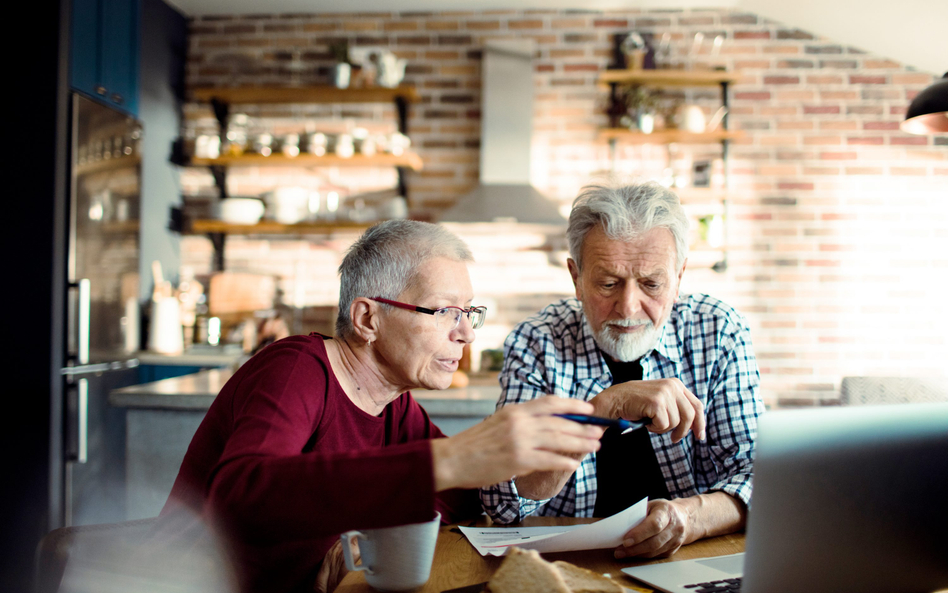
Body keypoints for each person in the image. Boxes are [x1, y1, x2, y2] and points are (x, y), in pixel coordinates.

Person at [158, 220, 605, 593]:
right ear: (368, 318)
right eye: (447, 311)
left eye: (470, 312)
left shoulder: (394, 405)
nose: (467, 334)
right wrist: (448, 459)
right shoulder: (296, 367)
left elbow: (459, 498)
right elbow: (240, 496)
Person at [480, 180, 764, 560]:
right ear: (576, 278)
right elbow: (505, 502)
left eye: (651, 283)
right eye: (609, 283)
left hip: (694, 560)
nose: (628, 307)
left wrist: (689, 517)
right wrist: (600, 411)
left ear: (678, 278)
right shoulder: (537, 342)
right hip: (565, 570)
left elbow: (759, 477)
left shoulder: (718, 331)